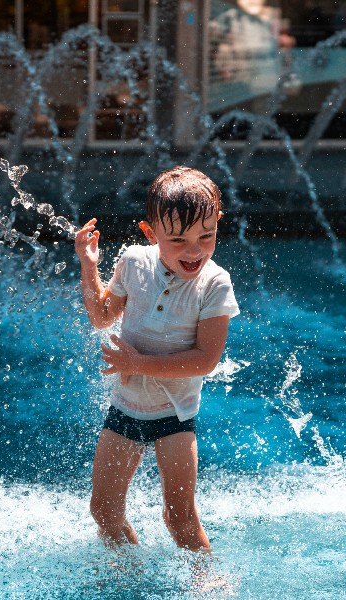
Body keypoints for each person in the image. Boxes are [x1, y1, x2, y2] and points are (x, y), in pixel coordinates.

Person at [74, 166, 239, 551]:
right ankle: (128, 576)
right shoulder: (133, 261)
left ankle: (206, 585)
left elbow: (205, 360)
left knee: (179, 516)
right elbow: (102, 315)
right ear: (151, 233)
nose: (194, 250)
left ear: (217, 221)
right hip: (126, 410)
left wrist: (138, 364)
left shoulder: (215, 283)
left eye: (206, 236)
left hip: (175, 417)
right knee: (104, 510)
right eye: (178, 239)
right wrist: (88, 265)